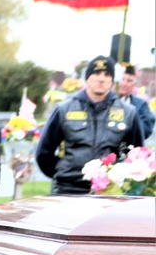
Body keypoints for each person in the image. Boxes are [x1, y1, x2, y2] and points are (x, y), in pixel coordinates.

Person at [37, 55, 143, 194]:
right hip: (67, 188)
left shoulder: (128, 113)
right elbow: (44, 151)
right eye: (96, 73)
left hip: (108, 191)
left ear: (112, 80)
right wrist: (62, 172)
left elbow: (137, 154)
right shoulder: (65, 109)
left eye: (106, 74)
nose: (101, 78)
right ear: (87, 78)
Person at [117, 64, 154, 140]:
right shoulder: (105, 101)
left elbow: (146, 128)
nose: (124, 84)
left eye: (129, 81)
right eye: (122, 79)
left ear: (134, 84)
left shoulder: (140, 104)